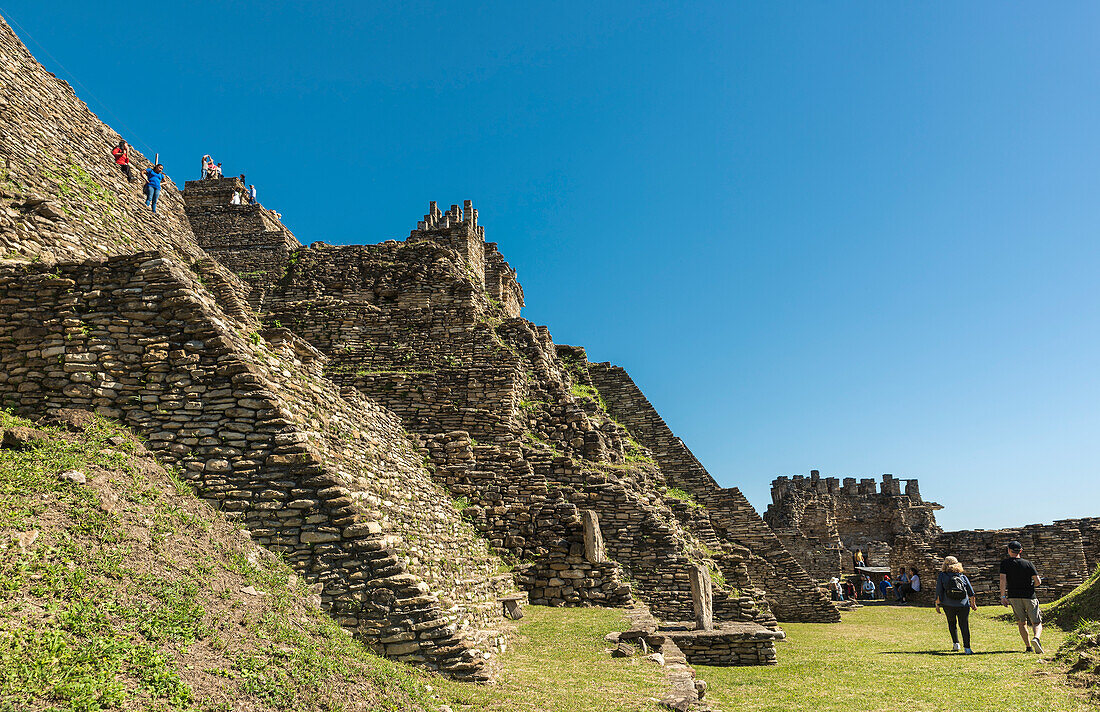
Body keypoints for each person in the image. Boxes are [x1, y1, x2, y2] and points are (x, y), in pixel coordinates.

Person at [1000, 540, 1044, 653]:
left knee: (1021, 622)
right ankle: (1036, 638)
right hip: (1029, 596)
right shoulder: (1028, 563)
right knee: (1036, 622)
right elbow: (1038, 581)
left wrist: (1003, 596)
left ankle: (1028, 646)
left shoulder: (1005, 564)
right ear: (1021, 551)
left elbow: (1002, 580)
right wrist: (1032, 585)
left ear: (1009, 550)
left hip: (1014, 596)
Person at [936, 556, 978, 653]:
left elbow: (939, 591)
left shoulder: (942, 576)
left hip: (948, 604)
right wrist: (973, 604)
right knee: (964, 625)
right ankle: (967, 648)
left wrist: (937, 604)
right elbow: (971, 591)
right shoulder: (961, 576)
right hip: (963, 604)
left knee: (952, 623)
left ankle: (956, 644)